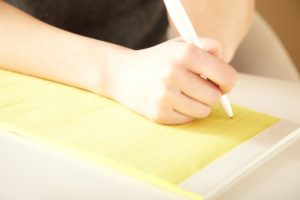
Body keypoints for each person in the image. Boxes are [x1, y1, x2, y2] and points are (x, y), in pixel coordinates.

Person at [0, 0, 254, 124]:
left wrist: (198, 66)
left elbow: (208, 32)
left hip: (152, 79)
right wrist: (118, 71)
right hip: (22, 79)